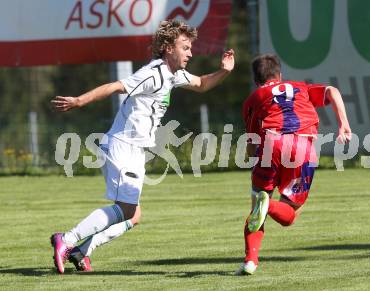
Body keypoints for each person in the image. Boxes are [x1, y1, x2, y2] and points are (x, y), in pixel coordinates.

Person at [50, 20, 235, 274]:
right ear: (168, 47)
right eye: (185, 47)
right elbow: (116, 86)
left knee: (133, 215)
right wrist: (80, 101)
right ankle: (68, 240)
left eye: (191, 47)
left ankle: (82, 251)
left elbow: (202, 84)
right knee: (125, 209)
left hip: (134, 151)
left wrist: (224, 71)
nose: (190, 53)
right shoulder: (154, 73)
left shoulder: (174, 75)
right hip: (122, 146)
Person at [236, 54, 351, 275]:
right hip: (303, 147)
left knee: (256, 208)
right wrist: (343, 123)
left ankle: (250, 261)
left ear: (256, 80)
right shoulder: (300, 87)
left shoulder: (253, 98)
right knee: (289, 213)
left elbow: (252, 141)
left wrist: (255, 164)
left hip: (272, 143)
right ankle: (268, 205)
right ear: (279, 75)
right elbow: (332, 91)